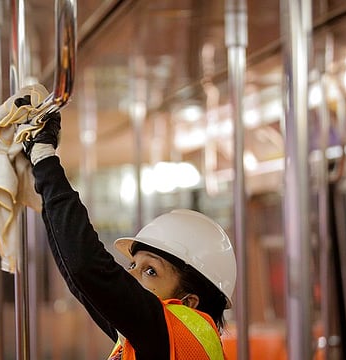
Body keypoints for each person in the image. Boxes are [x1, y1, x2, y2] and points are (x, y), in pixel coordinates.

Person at [15, 96, 237, 359]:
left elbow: (86, 268)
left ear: (188, 303)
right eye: (133, 265)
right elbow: (80, 280)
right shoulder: (156, 340)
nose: (129, 276)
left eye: (150, 271)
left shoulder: (175, 334)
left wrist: (45, 158)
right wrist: (43, 192)